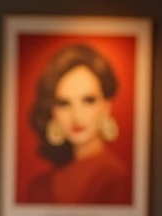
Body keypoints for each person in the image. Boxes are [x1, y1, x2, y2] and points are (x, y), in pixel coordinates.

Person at [26, 42, 131, 205]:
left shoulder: (119, 180)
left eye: (88, 101)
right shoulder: (40, 186)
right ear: (52, 111)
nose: (76, 116)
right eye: (64, 103)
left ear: (106, 105)